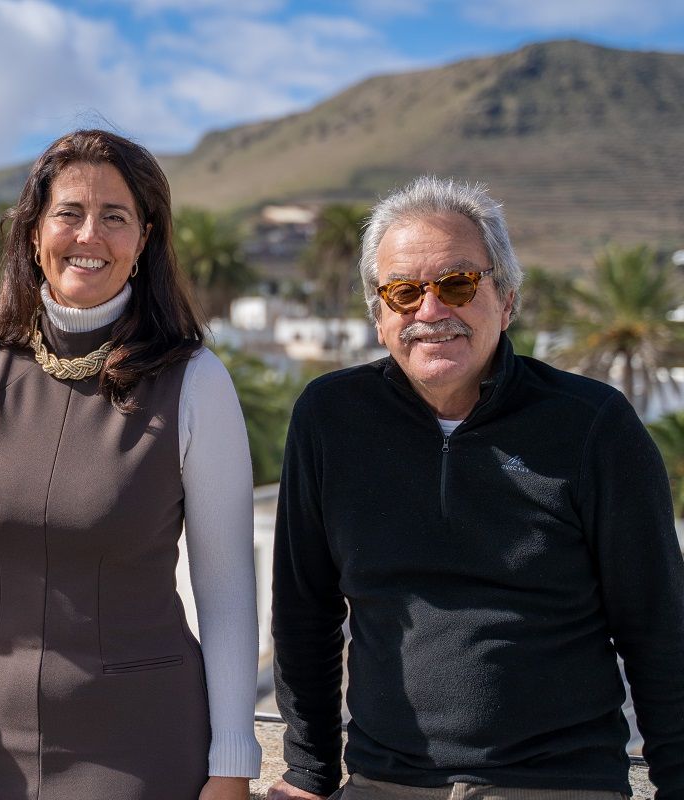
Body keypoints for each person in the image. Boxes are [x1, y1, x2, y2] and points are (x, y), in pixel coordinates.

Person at [269, 176, 684, 800]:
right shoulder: (330, 418)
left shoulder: (593, 425)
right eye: (404, 291)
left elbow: (658, 625)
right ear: (379, 316)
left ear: (507, 299)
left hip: (559, 784)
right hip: (386, 783)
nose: (431, 311)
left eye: (458, 284)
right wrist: (308, 772)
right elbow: (305, 609)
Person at [0, 129, 262, 800]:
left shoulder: (195, 381)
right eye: (70, 213)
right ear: (34, 232)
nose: (90, 234)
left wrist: (232, 761)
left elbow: (226, 588)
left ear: (144, 240)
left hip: (144, 745)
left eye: (115, 217)